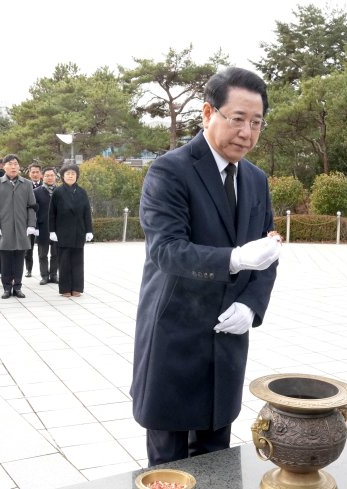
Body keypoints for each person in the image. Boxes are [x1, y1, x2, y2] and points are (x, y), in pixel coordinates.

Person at [130, 67, 281, 466]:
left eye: (256, 122)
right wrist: (234, 259)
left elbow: (266, 252)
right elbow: (166, 250)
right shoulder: (170, 170)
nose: (246, 132)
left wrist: (251, 305)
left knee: (218, 459)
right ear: (208, 112)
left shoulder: (256, 180)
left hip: (228, 339)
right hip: (175, 337)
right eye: (237, 119)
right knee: (170, 466)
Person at [0, 154, 36, 299]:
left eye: (16, 164)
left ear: (19, 167)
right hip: (4, 227)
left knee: (19, 259)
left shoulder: (27, 184)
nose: (13, 166)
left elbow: (32, 206)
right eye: (10, 164)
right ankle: (7, 288)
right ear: (4, 167)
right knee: (6, 260)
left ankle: (18, 287)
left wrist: (31, 224)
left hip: (22, 227)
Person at [49, 164, 93, 297]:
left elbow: (87, 212)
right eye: (67, 173)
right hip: (63, 231)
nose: (70, 176)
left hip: (79, 231)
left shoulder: (82, 192)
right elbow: (52, 213)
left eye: (73, 173)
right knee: (64, 262)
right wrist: (52, 231)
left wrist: (89, 230)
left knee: (78, 261)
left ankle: (77, 288)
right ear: (63, 176)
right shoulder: (58, 192)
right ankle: (65, 289)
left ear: (77, 176)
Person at [34, 167, 59, 285]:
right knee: (42, 254)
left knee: (56, 254)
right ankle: (44, 276)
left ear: (55, 177)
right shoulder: (36, 192)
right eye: (47, 175)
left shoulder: (60, 191)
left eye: (52, 175)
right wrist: (35, 227)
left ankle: (54, 275)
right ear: (42, 177)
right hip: (42, 227)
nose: (49, 177)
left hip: (57, 228)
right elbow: (33, 211)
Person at [24, 163, 43, 277]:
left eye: (37, 172)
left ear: (41, 174)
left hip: (42, 221)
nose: (35, 174)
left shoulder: (46, 186)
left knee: (43, 248)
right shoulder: (25, 186)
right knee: (28, 247)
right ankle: (28, 269)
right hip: (29, 221)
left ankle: (44, 271)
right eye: (33, 172)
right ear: (29, 174)